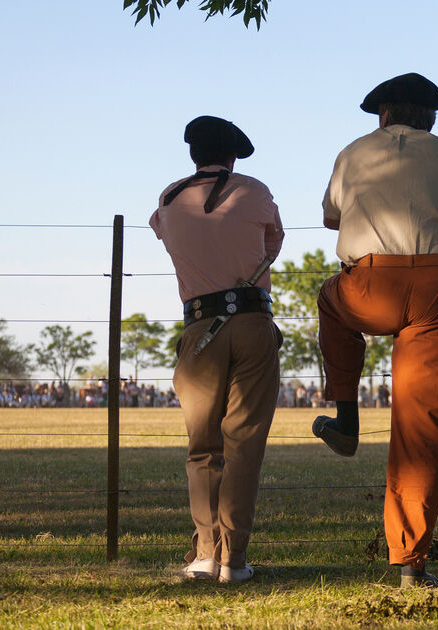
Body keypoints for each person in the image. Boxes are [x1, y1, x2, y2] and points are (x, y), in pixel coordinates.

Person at [312, 72, 438, 588]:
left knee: (329, 301)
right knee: (422, 429)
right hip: (437, 288)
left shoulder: (352, 152)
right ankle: (409, 563)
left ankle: (345, 414)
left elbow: (330, 217)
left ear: (382, 115)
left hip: (368, 285)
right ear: (429, 117)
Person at [150, 115, 284, 583]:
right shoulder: (256, 190)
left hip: (199, 326)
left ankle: (205, 552)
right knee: (243, 443)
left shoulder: (168, 199)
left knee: (202, 444)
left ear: (192, 155)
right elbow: (274, 243)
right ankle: (235, 560)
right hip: (251, 320)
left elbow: (162, 233)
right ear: (233, 157)